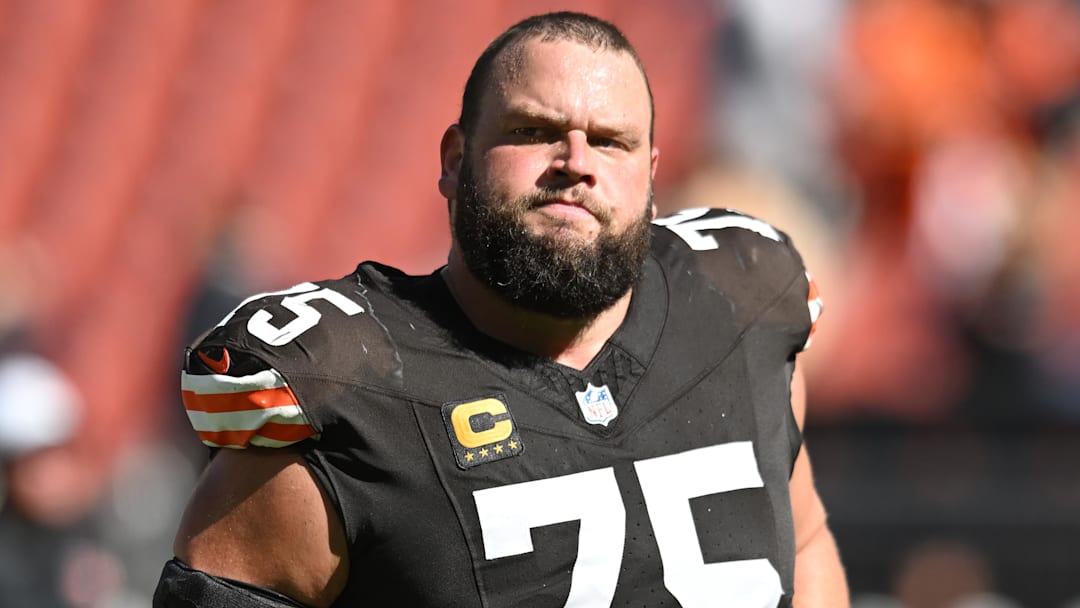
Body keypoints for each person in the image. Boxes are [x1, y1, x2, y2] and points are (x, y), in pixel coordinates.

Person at [154, 11, 848, 607]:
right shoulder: (355, 393)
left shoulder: (740, 308)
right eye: (537, 130)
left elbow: (806, 537)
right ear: (456, 158)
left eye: (611, 141)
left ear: (651, 175)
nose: (577, 162)